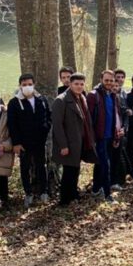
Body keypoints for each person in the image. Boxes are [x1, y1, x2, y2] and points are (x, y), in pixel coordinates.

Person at [7, 73, 52, 207]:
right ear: (20, 86)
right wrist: (16, 143)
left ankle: (44, 192)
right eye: (24, 85)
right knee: (25, 168)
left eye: (30, 84)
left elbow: (48, 116)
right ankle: (28, 194)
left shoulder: (41, 99)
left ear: (34, 84)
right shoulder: (14, 102)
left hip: (39, 141)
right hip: (23, 143)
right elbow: (12, 124)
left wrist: (45, 128)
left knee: (41, 166)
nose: (27, 87)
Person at [52, 72, 94, 206]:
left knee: (76, 169)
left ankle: (73, 194)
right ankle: (64, 199)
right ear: (70, 84)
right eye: (76, 84)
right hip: (68, 143)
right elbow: (57, 125)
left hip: (80, 142)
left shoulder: (82, 98)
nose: (79, 86)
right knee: (68, 172)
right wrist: (63, 145)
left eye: (82, 84)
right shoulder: (61, 100)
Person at [86, 70, 122, 202]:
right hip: (99, 137)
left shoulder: (113, 95)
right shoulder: (93, 95)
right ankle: (107, 195)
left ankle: (95, 189)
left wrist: (116, 136)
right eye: (106, 80)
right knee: (105, 164)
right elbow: (88, 120)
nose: (109, 83)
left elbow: (116, 116)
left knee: (100, 164)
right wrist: (91, 139)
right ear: (101, 79)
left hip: (110, 136)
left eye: (111, 80)